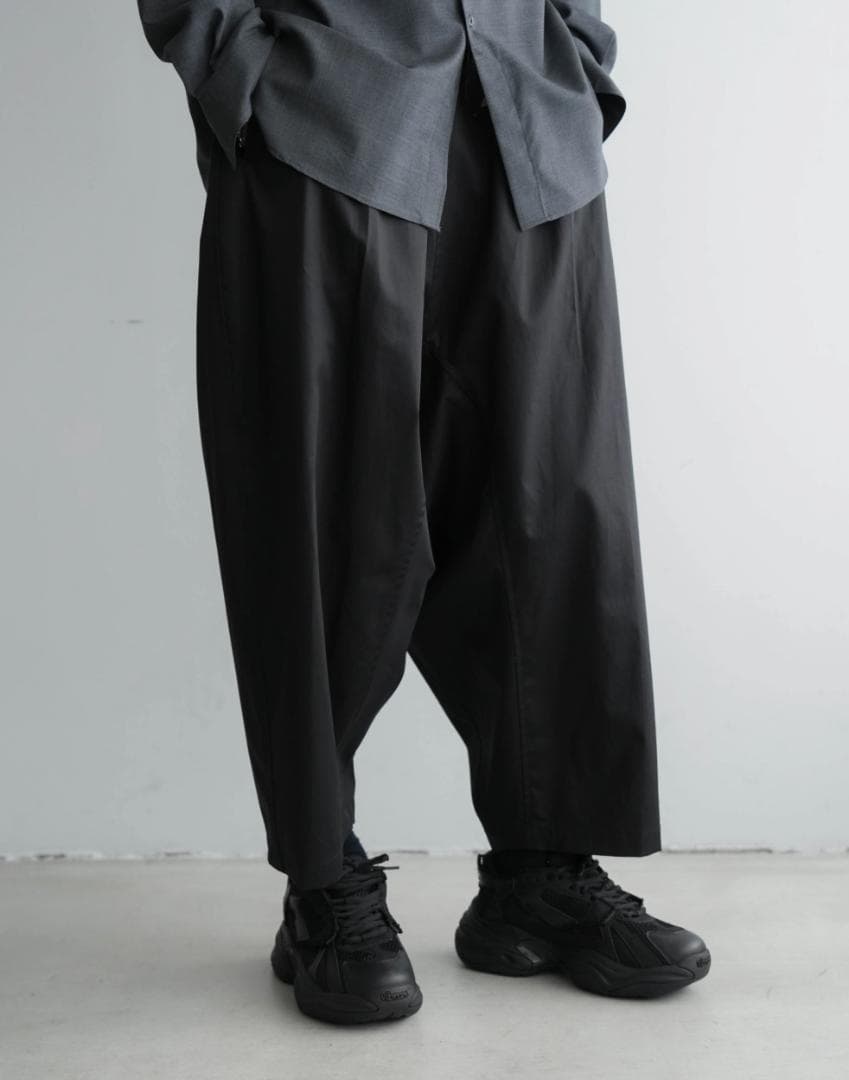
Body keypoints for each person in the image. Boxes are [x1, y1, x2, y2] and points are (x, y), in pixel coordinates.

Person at [136, 0, 711, 1025]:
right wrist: (241, 75)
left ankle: (540, 870)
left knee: (555, 510)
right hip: (329, 114)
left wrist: (576, 63)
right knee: (326, 519)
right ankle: (323, 882)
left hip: (528, 120)